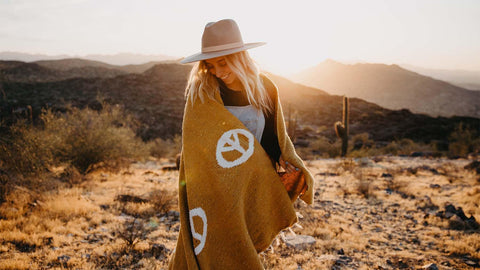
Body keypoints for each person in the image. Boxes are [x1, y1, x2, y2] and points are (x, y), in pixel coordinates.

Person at [169, 19, 314, 269]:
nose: (217, 71)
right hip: (213, 186)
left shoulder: (266, 88)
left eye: (223, 63)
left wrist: (286, 169)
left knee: (241, 245)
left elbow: (273, 138)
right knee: (214, 248)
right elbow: (196, 147)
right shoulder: (203, 93)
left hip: (251, 184)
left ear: (239, 57)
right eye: (210, 65)